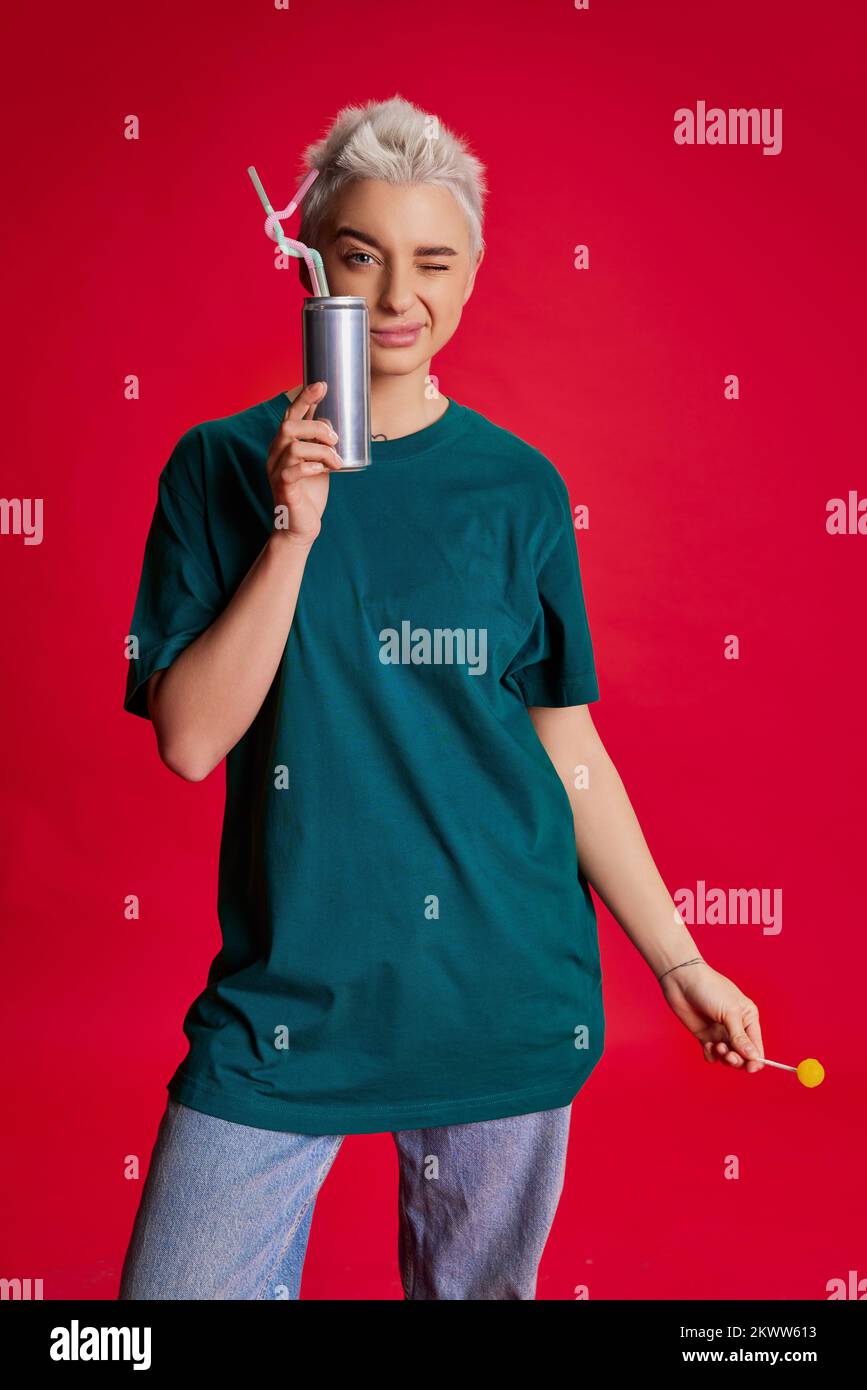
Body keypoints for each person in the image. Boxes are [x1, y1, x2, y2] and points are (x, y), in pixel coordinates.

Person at [118, 95, 765, 1302]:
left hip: (501, 990)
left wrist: (677, 962)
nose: (401, 293)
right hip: (293, 1001)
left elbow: (564, 744)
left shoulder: (520, 488)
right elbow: (193, 742)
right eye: (363, 253)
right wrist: (292, 534)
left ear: (471, 280)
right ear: (310, 261)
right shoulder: (216, 466)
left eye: (436, 260)